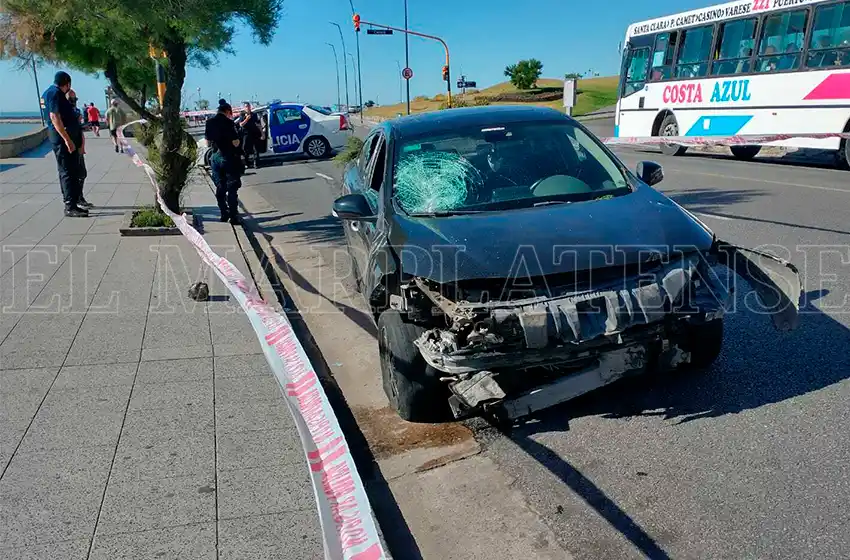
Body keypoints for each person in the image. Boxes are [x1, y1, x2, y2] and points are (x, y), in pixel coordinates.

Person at [42, 71, 87, 217]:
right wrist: (67, 140)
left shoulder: (50, 93)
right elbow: (54, 117)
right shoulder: (54, 93)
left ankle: (72, 202)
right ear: (67, 83)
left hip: (64, 136)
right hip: (62, 138)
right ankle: (70, 206)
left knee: (71, 170)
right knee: (67, 171)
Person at [205, 100, 244, 224]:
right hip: (229, 157)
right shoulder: (229, 123)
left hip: (215, 157)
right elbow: (235, 142)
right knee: (232, 188)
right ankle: (234, 216)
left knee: (220, 187)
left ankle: (223, 212)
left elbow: (207, 142)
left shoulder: (209, 122)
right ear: (227, 111)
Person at [68, 89, 93, 209]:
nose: (73, 101)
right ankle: (75, 199)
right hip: (70, 148)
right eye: (71, 99)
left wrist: (82, 146)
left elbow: (78, 130)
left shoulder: (76, 111)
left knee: (82, 173)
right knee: (75, 175)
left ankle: (79, 197)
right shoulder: (64, 112)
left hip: (78, 146)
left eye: (75, 99)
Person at [238, 102, 262, 168]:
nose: (247, 108)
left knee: (256, 149)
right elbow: (241, 124)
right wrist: (246, 119)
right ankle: (247, 162)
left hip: (254, 133)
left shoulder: (254, 115)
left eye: (248, 106)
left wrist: (262, 133)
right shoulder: (242, 115)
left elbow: (258, 124)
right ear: (244, 108)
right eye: (246, 107)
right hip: (246, 134)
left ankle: (256, 163)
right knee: (245, 149)